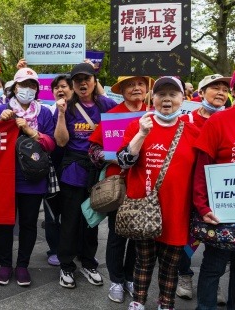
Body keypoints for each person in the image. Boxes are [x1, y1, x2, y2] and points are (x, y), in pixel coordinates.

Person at [117, 76, 200, 310]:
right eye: (161, 94)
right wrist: (142, 134)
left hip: (177, 210)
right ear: (152, 98)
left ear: (182, 99)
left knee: (170, 265)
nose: (167, 99)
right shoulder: (138, 124)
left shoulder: (192, 131)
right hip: (143, 208)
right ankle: (138, 301)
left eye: (173, 95)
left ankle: (166, 303)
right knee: (143, 262)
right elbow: (125, 162)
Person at [193, 64, 235, 310]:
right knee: (213, 267)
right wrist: (202, 205)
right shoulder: (218, 122)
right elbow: (201, 167)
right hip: (221, 212)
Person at [88, 75, 153, 303]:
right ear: (122, 90)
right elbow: (93, 150)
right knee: (117, 235)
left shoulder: (154, 114)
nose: (136, 88)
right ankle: (116, 280)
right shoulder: (113, 115)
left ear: (147, 89)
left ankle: (130, 277)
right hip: (118, 184)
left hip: (145, 184)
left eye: (140, 84)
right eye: (130, 85)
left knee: (138, 233)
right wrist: (114, 157)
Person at [54, 62, 116, 289]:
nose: (82, 83)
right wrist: (60, 115)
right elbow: (61, 141)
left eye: (87, 79)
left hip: (98, 173)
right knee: (70, 220)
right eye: (77, 80)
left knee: (92, 220)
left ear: (94, 81)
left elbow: (119, 130)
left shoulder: (107, 105)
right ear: (72, 84)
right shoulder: (66, 108)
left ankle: (89, 262)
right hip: (73, 171)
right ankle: (66, 265)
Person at [0, 67, 55, 286]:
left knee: (29, 224)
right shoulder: (1, 110)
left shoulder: (45, 113)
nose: (27, 90)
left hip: (33, 179)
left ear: (37, 89)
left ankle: (22, 265)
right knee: (5, 223)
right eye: (23, 85)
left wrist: (30, 131)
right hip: (5, 178)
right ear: (14, 88)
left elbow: (51, 144)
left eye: (32, 86)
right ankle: (4, 264)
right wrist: (1, 122)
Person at [177, 73, 231, 305]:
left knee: (216, 238)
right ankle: (184, 276)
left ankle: (213, 281)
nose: (220, 92)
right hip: (186, 188)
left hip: (219, 191)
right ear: (201, 92)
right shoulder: (185, 119)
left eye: (223, 88)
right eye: (214, 87)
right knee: (184, 237)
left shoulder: (232, 119)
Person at [43, 74, 74, 267]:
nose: (60, 90)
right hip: (52, 171)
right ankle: (54, 248)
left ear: (73, 89)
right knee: (52, 214)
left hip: (74, 171)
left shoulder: (79, 111)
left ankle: (72, 248)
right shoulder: (48, 112)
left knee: (73, 215)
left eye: (64, 86)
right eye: (56, 88)